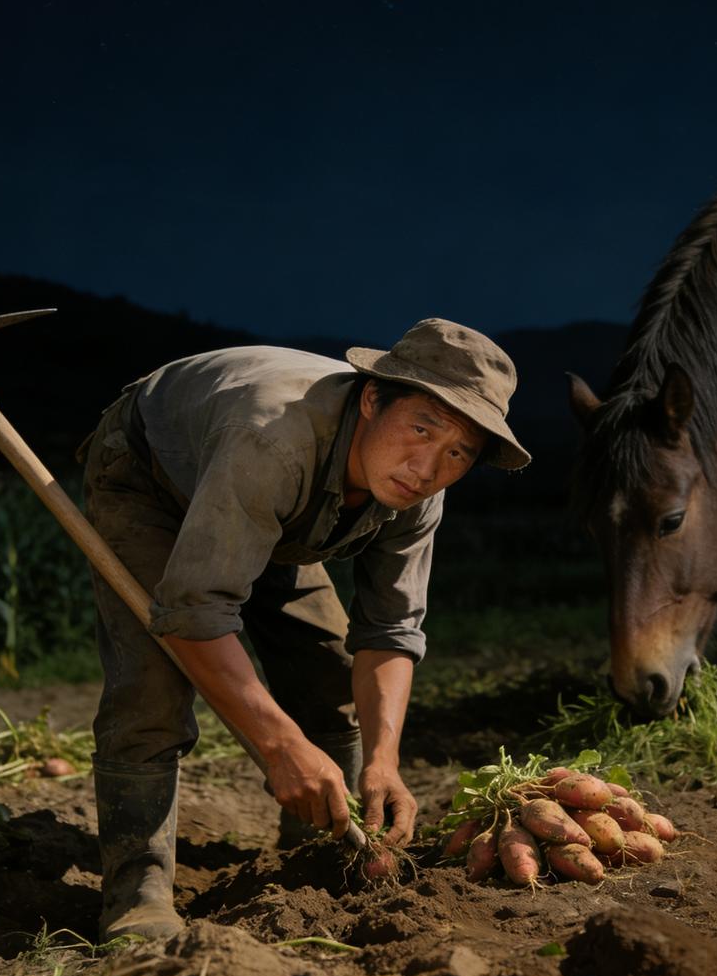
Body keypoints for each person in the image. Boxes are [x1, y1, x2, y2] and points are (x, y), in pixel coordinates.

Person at [80, 318, 530, 940]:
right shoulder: (273, 440)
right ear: (373, 399)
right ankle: (137, 894)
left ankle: (315, 859)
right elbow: (194, 613)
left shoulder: (418, 491)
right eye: (420, 428)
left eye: (458, 452)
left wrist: (384, 762)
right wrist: (278, 745)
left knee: (325, 673)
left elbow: (391, 629)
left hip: (278, 511)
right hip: (155, 479)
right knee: (153, 690)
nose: (426, 468)